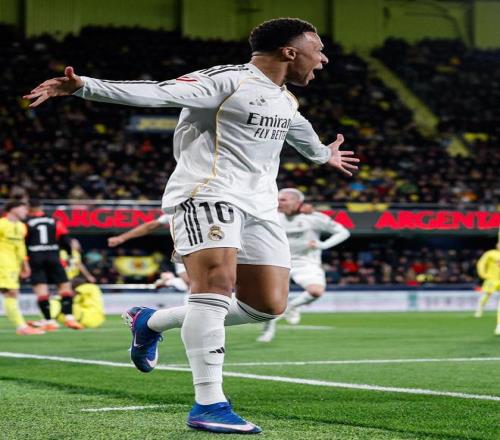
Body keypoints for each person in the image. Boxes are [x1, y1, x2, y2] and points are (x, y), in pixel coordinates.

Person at [25, 18, 359, 434]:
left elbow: (299, 130)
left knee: (267, 305)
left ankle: (150, 321)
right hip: (207, 194)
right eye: (318, 49)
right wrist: (84, 86)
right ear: (290, 52)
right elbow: (159, 92)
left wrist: (323, 155)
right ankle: (209, 403)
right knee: (215, 287)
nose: (323, 59)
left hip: (260, 208)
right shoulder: (226, 81)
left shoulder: (284, 99)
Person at [257, 188, 350, 342]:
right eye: (278, 199)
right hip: (279, 261)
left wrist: (323, 245)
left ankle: (291, 307)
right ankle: (268, 328)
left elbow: (343, 232)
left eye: (283, 200)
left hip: (306, 262)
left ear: (297, 202)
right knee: (272, 301)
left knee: (316, 291)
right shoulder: (272, 216)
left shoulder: (313, 218)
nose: (279, 203)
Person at [25, 200, 83, 331]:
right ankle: (69, 318)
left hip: (35, 258)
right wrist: (69, 254)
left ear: (29, 209)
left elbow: (23, 241)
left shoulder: (26, 223)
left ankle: (49, 321)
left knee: (41, 291)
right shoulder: (54, 221)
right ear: (41, 207)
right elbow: (65, 240)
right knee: (65, 287)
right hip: (53, 257)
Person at [108, 214, 189, 292]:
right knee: (189, 283)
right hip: (185, 249)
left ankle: (170, 280)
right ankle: (170, 280)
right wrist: (121, 238)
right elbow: (151, 226)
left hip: (190, 249)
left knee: (191, 285)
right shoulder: (177, 210)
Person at [0, 201, 44, 335]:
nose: (26, 212)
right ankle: (21, 327)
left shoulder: (21, 227)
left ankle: (21, 326)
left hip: (13, 265)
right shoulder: (2, 224)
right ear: (13, 209)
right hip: (3, 264)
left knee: (11, 293)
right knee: (11, 293)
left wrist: (25, 265)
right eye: (23, 209)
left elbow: (21, 248)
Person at [474, 243, 500, 334]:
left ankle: (498, 325)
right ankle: (479, 310)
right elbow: (481, 263)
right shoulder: (490, 253)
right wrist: (483, 274)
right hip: (492, 279)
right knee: (486, 295)